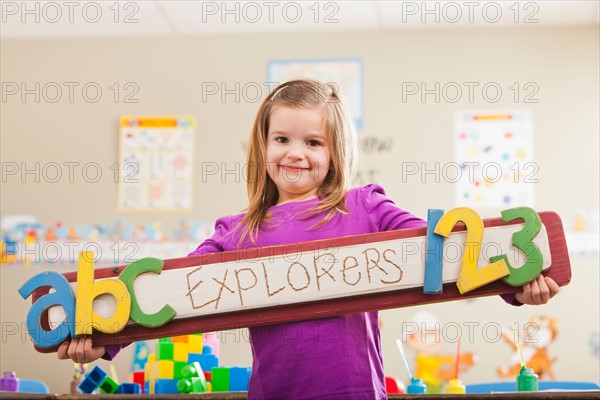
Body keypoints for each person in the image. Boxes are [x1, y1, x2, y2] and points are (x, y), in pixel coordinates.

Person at [58, 79, 560, 399]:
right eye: (282, 139)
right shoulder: (235, 233)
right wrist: (101, 338)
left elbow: (446, 252)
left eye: (313, 142)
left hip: (356, 394)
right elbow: (167, 296)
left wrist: (517, 285)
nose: (295, 153)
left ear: (334, 152)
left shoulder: (366, 207)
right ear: (263, 145)